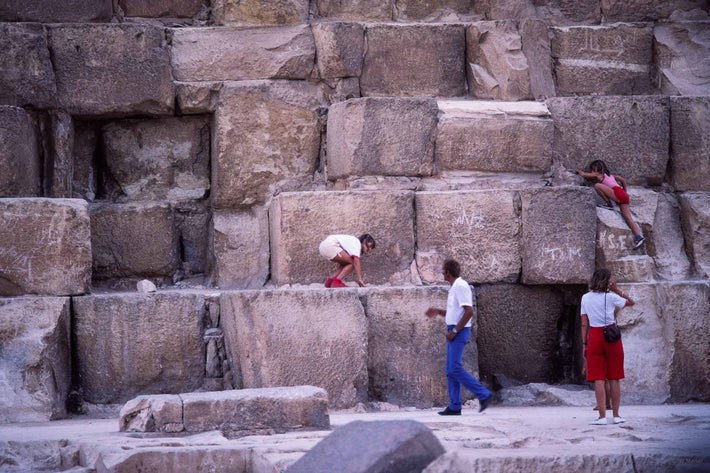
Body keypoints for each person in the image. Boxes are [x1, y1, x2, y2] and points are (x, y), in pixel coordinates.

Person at [426, 259, 492, 415]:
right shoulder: (454, 287)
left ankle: (484, 394)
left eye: (443, 270)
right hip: (454, 330)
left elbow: (469, 312)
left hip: (459, 331)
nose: (442, 273)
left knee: (455, 368)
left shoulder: (461, 286)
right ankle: (455, 406)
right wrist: (438, 312)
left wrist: (454, 331)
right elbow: (456, 313)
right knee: (450, 370)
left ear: (448, 272)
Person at [580, 268, 635, 425]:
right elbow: (632, 303)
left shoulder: (585, 298)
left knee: (598, 377)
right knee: (614, 377)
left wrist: (584, 343)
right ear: (608, 281)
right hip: (611, 336)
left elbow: (584, 323)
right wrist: (617, 290)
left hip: (595, 336)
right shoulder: (611, 297)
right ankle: (616, 416)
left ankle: (602, 417)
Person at [576, 160, 646, 250]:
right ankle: (639, 237)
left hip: (617, 193)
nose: (592, 171)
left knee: (597, 185)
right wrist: (625, 191)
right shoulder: (611, 176)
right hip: (623, 195)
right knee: (628, 218)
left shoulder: (599, 174)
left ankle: (609, 203)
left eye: (593, 169)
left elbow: (584, 175)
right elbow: (622, 180)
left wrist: (578, 171)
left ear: (598, 168)